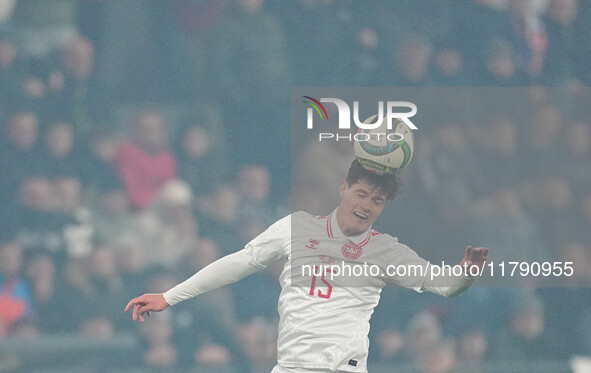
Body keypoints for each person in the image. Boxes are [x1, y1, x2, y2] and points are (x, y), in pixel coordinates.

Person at [125, 159, 489, 373]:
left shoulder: (385, 250)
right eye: (362, 193)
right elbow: (239, 263)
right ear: (344, 188)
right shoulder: (297, 227)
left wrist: (466, 273)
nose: (367, 205)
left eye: (377, 200)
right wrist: (169, 297)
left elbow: (444, 285)